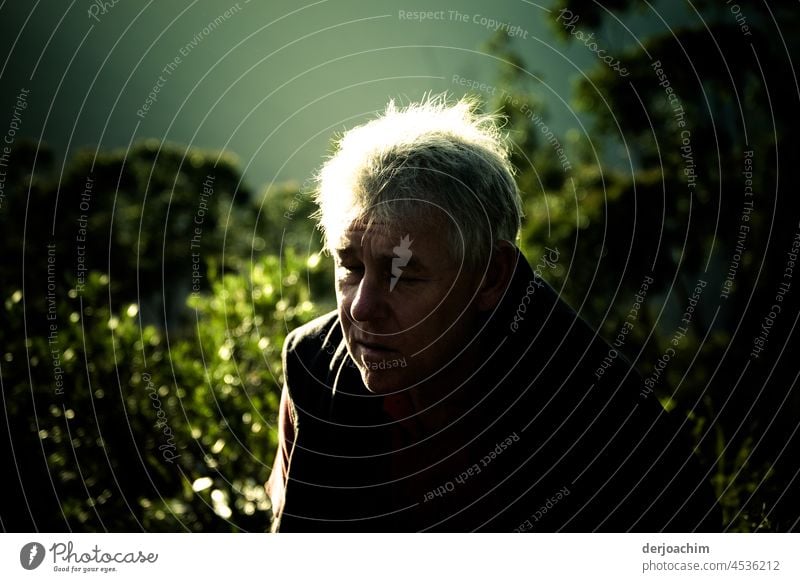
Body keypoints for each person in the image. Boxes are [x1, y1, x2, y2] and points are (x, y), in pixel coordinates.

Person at [265, 95, 720, 532]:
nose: (361, 308)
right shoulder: (314, 369)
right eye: (350, 267)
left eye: (402, 275)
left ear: (491, 276)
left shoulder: (601, 418)